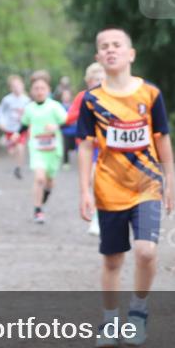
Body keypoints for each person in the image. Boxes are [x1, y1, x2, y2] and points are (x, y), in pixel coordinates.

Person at [76, 28, 175, 348]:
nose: (110, 50)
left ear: (131, 54)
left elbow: (162, 138)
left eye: (117, 45)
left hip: (147, 185)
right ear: (98, 58)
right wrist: (84, 191)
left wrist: (170, 180)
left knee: (146, 251)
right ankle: (109, 321)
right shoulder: (93, 100)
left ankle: (138, 313)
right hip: (109, 189)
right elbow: (85, 146)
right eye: (103, 47)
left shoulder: (150, 94)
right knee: (113, 259)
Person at [19, 70, 68, 225]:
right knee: (39, 178)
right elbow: (24, 125)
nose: (39, 92)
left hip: (53, 150)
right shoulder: (29, 108)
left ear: (48, 90)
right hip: (37, 148)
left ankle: (46, 193)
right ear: (31, 91)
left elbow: (66, 121)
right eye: (36, 89)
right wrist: (15, 134)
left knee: (49, 180)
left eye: (42, 88)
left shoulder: (55, 106)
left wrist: (55, 126)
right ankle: (38, 210)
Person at [66, 62, 106, 236]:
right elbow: (69, 118)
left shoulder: (111, 96)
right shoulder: (83, 97)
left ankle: (100, 218)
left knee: (99, 182)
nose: (98, 82)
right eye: (95, 79)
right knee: (92, 181)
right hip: (88, 147)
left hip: (106, 148)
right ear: (88, 81)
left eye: (101, 79)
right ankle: (98, 217)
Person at [0, 74, 30, 180]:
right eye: (14, 86)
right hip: (10, 129)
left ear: (23, 86)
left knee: (21, 148)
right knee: (12, 152)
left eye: (18, 85)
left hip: (21, 129)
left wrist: (30, 126)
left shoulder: (26, 100)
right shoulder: (7, 100)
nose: (17, 88)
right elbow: (0, 110)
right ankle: (10, 145)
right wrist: (1, 122)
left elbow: (30, 114)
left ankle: (18, 168)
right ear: (10, 88)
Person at [59, 87, 76, 167]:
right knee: (65, 147)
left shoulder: (74, 106)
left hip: (74, 130)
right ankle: (66, 162)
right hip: (65, 131)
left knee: (73, 147)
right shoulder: (59, 106)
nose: (66, 96)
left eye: (67, 95)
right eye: (64, 95)